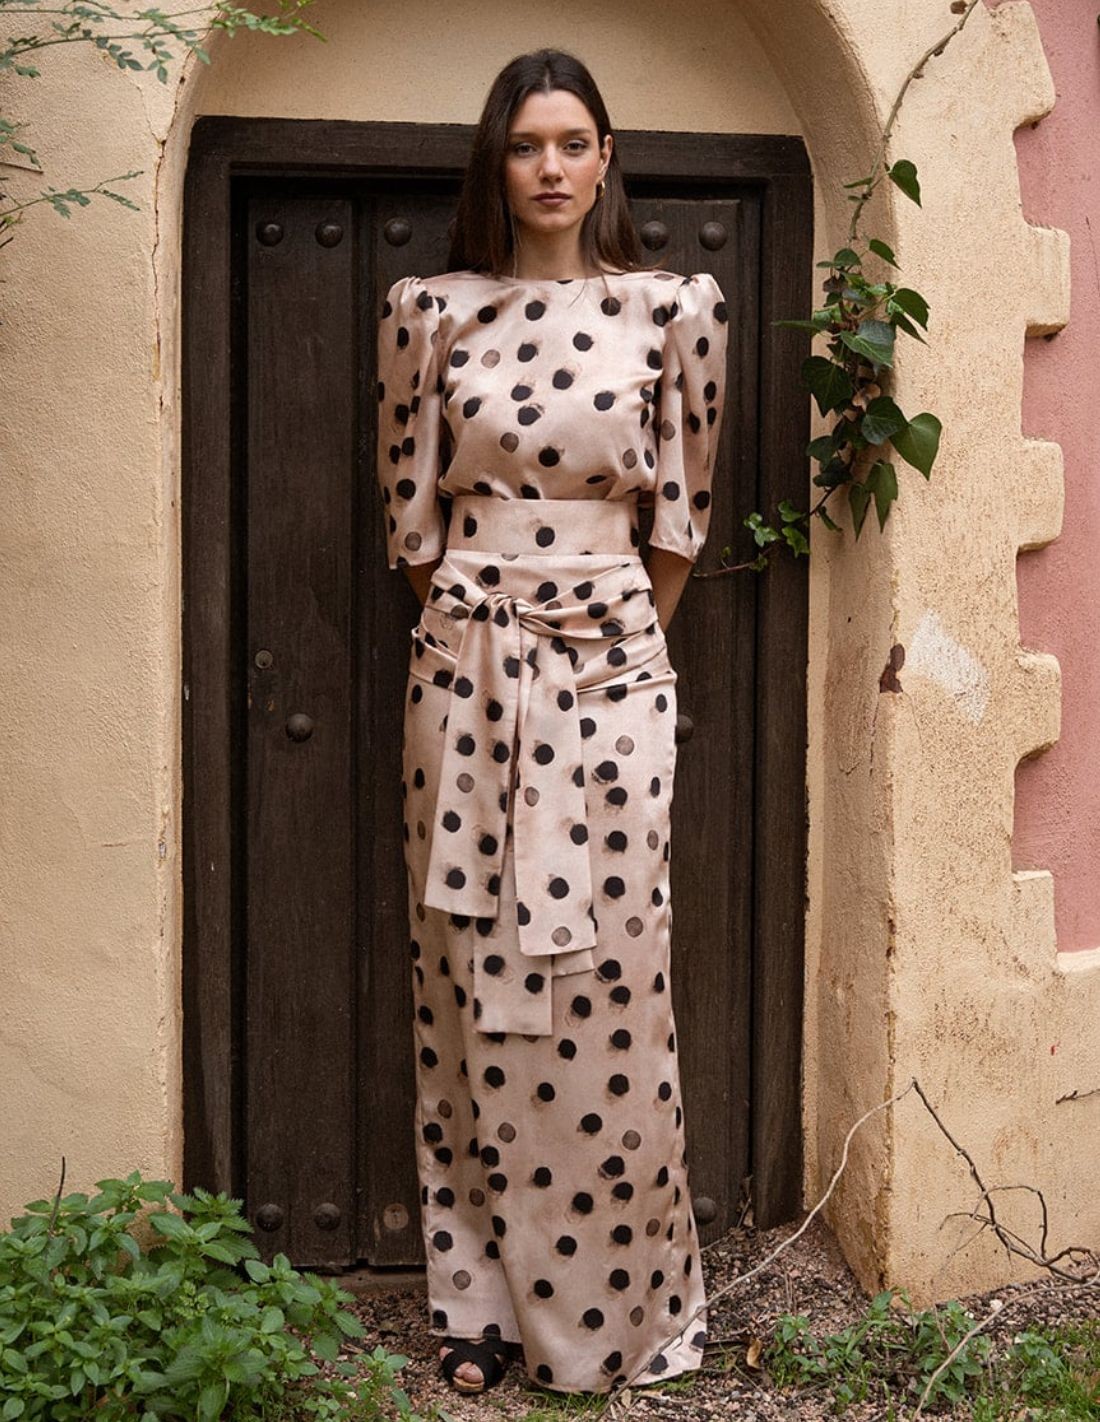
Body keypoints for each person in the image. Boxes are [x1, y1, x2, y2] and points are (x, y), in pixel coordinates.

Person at [374, 46, 729, 1398]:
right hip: (466, 668)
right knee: (463, 975)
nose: (551, 168)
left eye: (574, 142)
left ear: (606, 157)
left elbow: (679, 523)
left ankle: (622, 1313)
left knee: (613, 986)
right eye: (527, 144)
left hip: (615, 672)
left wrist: (608, 642)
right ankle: (477, 1307)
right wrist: (492, 635)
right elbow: (411, 522)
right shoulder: (427, 312)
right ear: (497, 161)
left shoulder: (673, 309)